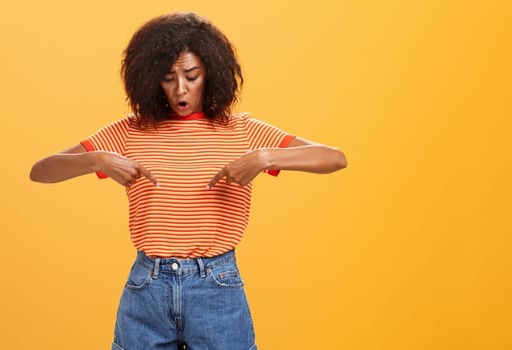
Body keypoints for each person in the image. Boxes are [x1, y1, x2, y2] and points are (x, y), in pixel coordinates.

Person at [29, 12, 346, 350]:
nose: (181, 88)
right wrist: (96, 160)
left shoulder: (241, 130)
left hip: (216, 284)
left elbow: (333, 158)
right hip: (147, 286)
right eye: (168, 78)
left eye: (191, 76)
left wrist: (266, 157)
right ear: (151, 79)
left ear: (210, 73)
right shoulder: (129, 131)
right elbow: (41, 170)